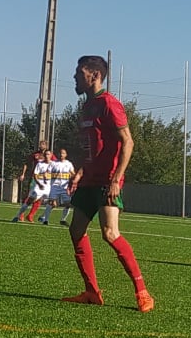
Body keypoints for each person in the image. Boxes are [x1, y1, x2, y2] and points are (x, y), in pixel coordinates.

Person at [61, 55, 153, 311]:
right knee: (76, 231)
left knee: (110, 233)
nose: (75, 77)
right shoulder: (86, 106)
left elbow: (128, 141)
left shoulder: (110, 104)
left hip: (107, 182)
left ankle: (142, 292)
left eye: (80, 72)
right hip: (89, 179)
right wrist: (79, 171)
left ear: (95, 75)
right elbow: (92, 146)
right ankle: (92, 291)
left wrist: (116, 180)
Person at [41, 148, 74, 226]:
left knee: (68, 203)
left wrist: (73, 180)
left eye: (63, 153)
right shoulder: (53, 163)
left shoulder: (68, 163)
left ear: (66, 155)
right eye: (60, 153)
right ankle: (45, 220)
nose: (61, 155)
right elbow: (47, 172)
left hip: (64, 187)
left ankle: (63, 220)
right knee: (52, 203)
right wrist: (45, 178)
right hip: (54, 186)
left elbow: (73, 173)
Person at [17, 150, 48, 222]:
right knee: (29, 196)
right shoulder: (35, 154)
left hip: (43, 180)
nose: (42, 146)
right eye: (41, 144)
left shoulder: (49, 155)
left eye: (43, 144)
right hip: (34, 178)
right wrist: (23, 174)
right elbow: (26, 163)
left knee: (39, 198)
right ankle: (21, 214)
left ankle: (30, 215)